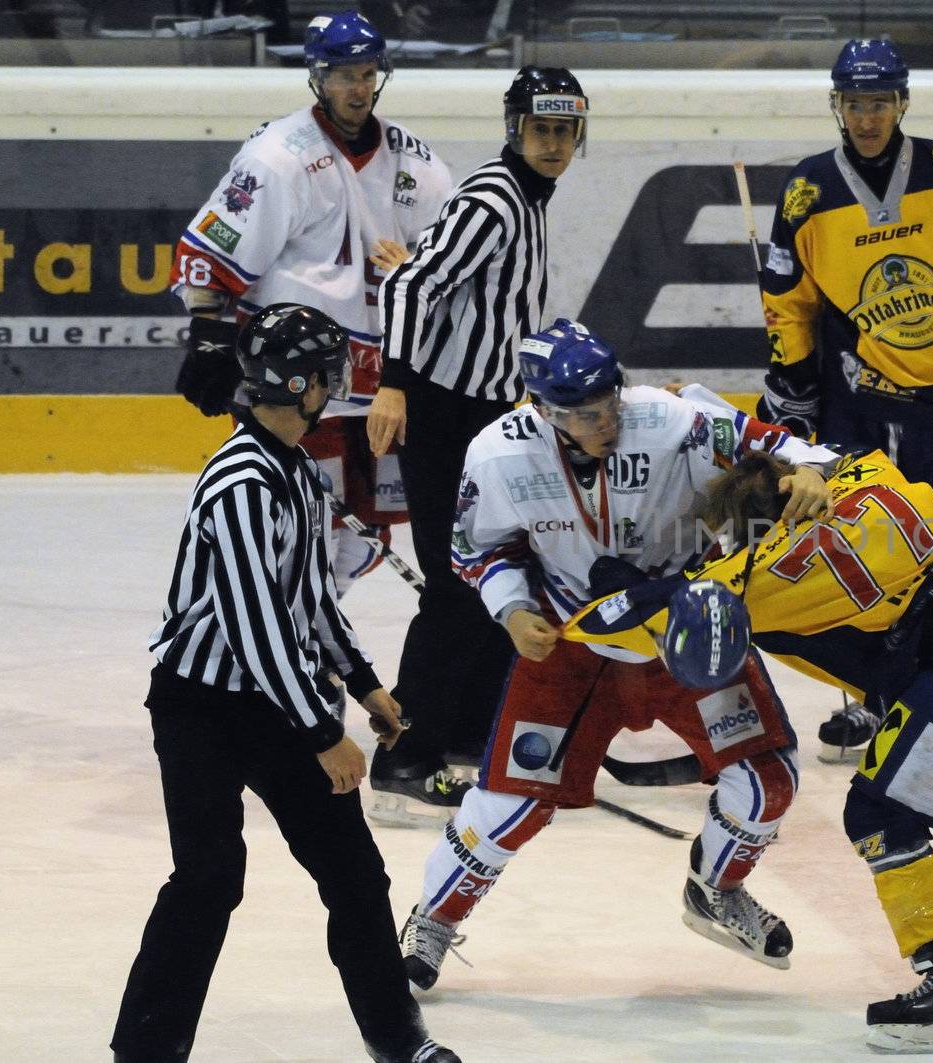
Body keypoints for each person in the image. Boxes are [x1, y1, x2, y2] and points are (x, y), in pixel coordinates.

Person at [564, 450, 933, 1054]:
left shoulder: (752, 578)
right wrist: (810, 473)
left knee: (880, 815)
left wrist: (618, 584)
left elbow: (614, 624)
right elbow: (829, 456)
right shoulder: (869, 474)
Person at [394, 319, 842, 988]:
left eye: (610, 402)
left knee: (768, 781)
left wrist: (802, 471)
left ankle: (716, 887)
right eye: (584, 412)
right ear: (544, 409)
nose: (605, 420)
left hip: (682, 630)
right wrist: (512, 611)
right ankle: (433, 916)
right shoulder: (497, 455)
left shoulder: (673, 420)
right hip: (572, 643)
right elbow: (479, 550)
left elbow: (780, 448)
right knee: (507, 807)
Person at [112, 305, 458, 1063]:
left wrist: (365, 684)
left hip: (277, 704)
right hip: (201, 709)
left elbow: (306, 599)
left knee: (356, 877)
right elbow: (255, 624)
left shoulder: (296, 469)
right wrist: (323, 732)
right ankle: (144, 1051)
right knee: (207, 880)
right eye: (331, 372)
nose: (341, 381)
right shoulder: (242, 481)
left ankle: (400, 1042)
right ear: (302, 385)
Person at [756, 38, 933, 755]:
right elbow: (789, 301)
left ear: (902, 102)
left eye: (878, 101)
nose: (867, 116)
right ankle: (877, 700)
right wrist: (791, 385)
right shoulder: (808, 192)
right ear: (836, 105)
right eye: (853, 102)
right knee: (864, 552)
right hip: (860, 409)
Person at [364, 64, 588, 821]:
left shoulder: (528, 197)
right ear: (514, 129)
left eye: (565, 131)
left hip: (488, 419)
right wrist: (392, 384)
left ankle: (467, 731)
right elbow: (409, 286)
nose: (553, 143)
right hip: (444, 415)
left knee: (502, 573)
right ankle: (403, 755)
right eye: (542, 129)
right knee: (459, 584)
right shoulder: (495, 197)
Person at [169, 9, 453, 603]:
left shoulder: (417, 163)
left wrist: (420, 272)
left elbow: (452, 261)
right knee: (301, 532)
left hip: (380, 384)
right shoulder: (278, 156)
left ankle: (315, 635)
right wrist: (208, 337)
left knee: (364, 536)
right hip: (294, 377)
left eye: (367, 72)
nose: (356, 86)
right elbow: (213, 248)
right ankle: (292, 649)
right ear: (317, 78)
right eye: (342, 73)